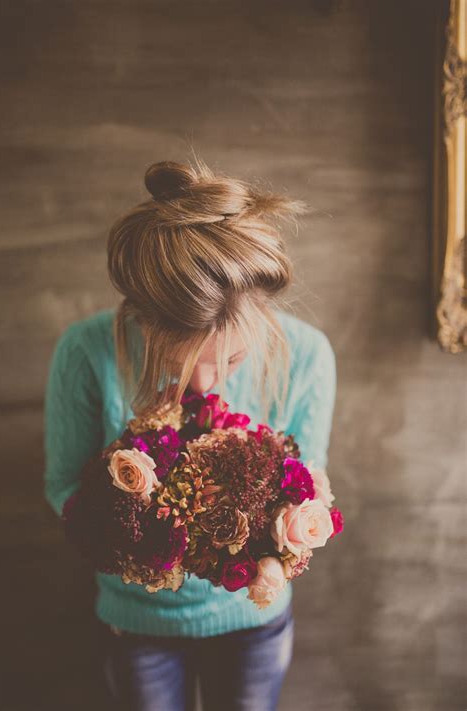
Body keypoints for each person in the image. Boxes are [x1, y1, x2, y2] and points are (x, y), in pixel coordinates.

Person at [43, 157, 337, 711]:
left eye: (233, 361)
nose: (205, 385)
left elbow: (310, 482)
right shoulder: (85, 355)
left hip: (254, 621)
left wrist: (272, 538)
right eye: (179, 365)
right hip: (137, 628)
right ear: (144, 322)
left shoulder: (309, 358)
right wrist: (133, 526)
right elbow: (62, 484)